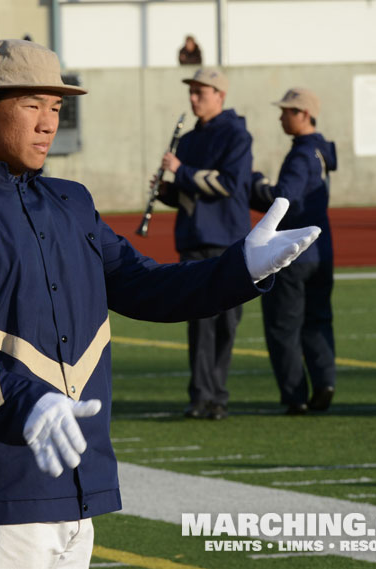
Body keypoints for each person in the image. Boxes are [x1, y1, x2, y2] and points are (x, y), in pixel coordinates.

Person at [0, 39, 320, 568]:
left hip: (81, 487)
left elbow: (145, 286)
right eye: (31, 105)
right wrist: (29, 405)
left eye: (57, 108)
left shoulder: (72, 202)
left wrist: (240, 269)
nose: (48, 123)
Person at [155, 67, 254, 420]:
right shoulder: (191, 137)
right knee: (199, 322)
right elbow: (191, 196)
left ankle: (218, 396)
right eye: (192, 92)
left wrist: (180, 171)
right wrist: (167, 191)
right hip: (194, 240)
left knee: (226, 322)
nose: (193, 98)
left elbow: (227, 184)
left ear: (219, 95)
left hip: (228, 239)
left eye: (201, 92)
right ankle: (200, 395)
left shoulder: (237, 135)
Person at [250, 88, 338, 415]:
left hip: (295, 251)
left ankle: (295, 394)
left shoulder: (302, 154)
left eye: (287, 111)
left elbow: (284, 200)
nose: (281, 116)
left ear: (303, 114)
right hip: (322, 249)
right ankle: (325, 380)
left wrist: (255, 185)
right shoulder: (321, 152)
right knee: (317, 320)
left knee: (283, 326)